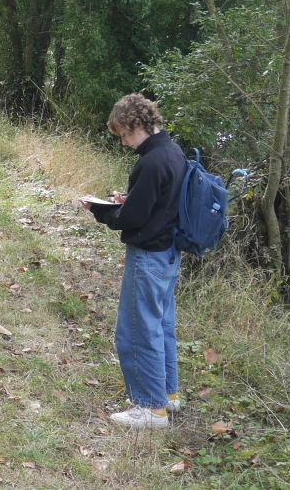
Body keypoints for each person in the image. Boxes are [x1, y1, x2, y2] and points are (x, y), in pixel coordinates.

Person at [79, 94, 187, 430]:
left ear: (138, 124)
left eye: (125, 135)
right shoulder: (173, 152)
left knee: (137, 331)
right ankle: (168, 395)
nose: (125, 143)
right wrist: (130, 200)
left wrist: (99, 209)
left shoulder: (150, 162)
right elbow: (160, 201)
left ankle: (150, 409)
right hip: (169, 252)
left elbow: (132, 219)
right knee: (161, 326)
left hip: (148, 256)